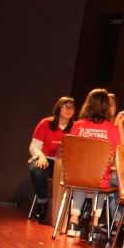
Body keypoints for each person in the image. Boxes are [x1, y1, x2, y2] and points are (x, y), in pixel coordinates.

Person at [68, 88, 124, 236]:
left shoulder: (78, 125)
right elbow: (119, 152)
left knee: (83, 178)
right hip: (100, 179)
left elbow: (70, 150)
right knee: (101, 180)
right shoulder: (111, 129)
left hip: (76, 177)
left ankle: (73, 221)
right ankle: (94, 223)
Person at [27, 96, 75, 224]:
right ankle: (42, 202)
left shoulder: (75, 127)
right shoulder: (45, 123)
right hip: (47, 158)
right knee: (37, 170)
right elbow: (34, 146)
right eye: (66, 106)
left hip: (64, 163)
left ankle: (71, 212)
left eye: (71, 107)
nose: (69, 109)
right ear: (58, 108)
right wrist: (41, 156)